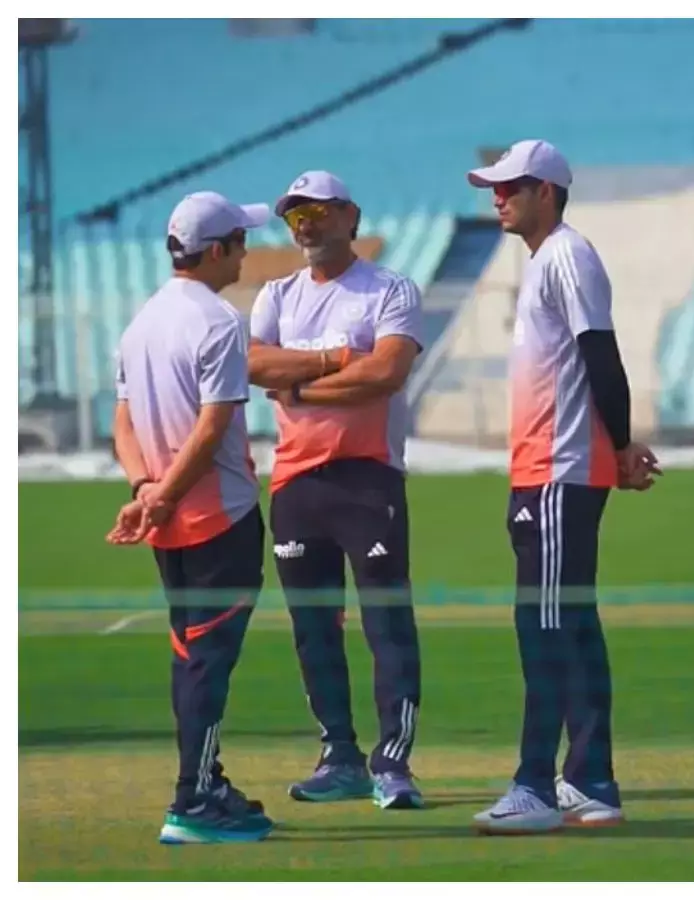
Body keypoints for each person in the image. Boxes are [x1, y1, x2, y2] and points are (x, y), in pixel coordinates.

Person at [464, 139, 662, 835]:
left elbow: (599, 354)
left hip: (556, 472)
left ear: (546, 191)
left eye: (510, 187)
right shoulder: (550, 260)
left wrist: (622, 444)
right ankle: (590, 780)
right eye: (494, 187)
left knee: (543, 628)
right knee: (570, 624)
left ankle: (535, 787)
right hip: (551, 471)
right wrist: (616, 449)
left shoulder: (567, 256)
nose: (497, 197)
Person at [247, 170, 426, 809]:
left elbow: (387, 373)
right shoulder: (277, 294)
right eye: (295, 216)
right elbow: (254, 363)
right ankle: (339, 757)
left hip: (366, 474)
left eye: (318, 212)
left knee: (387, 624)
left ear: (350, 215)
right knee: (313, 628)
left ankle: (393, 764)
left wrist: (299, 387)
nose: (306, 225)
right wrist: (336, 362)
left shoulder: (389, 289)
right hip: (296, 481)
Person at [109, 190, 274, 843]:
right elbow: (211, 428)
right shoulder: (220, 322)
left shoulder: (142, 321)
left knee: (189, 655)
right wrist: (167, 494)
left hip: (170, 523)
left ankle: (205, 782)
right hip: (219, 519)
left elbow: (122, 421)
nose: (246, 251)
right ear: (216, 251)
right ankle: (193, 799)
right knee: (206, 660)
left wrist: (147, 488)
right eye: (239, 240)